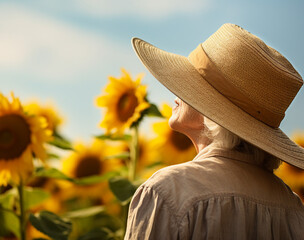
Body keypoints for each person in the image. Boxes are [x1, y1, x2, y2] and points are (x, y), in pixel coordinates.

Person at [125, 23, 304, 239]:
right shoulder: (294, 209)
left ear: (213, 111)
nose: (175, 92)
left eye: (190, 85)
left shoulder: (168, 192)